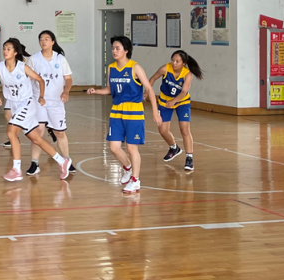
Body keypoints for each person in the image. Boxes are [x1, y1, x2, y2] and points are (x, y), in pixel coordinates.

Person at [0, 38, 72, 182]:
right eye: (4, 48)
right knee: (36, 139)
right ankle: (62, 161)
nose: (5, 51)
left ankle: (16, 169)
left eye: (8, 49)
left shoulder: (23, 67)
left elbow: (40, 80)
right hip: (14, 105)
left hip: (26, 104)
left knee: (11, 131)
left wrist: (41, 96)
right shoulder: (0, 67)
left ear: (15, 52)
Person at [87, 36, 161, 195]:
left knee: (131, 147)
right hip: (116, 111)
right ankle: (128, 168)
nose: (114, 51)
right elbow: (110, 89)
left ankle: (135, 180)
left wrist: (155, 111)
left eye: (118, 48)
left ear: (126, 50)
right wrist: (96, 91)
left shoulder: (135, 67)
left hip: (134, 111)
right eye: (113, 48)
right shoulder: (111, 68)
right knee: (114, 147)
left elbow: (149, 89)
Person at [26, 30, 75, 176]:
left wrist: (66, 91)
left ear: (53, 42)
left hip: (56, 101)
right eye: (41, 39)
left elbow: (68, 79)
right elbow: (27, 78)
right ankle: (34, 163)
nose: (43, 41)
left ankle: (67, 160)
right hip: (39, 100)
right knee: (38, 131)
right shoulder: (34, 59)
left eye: (47, 39)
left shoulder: (60, 59)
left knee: (60, 132)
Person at [147, 50, 203, 172]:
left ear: (184, 63)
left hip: (182, 102)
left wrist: (174, 101)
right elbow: (153, 78)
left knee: (184, 129)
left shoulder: (187, 74)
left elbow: (184, 91)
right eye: (173, 60)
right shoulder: (165, 69)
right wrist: (147, 91)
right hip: (164, 102)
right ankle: (174, 148)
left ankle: (189, 157)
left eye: (177, 61)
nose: (174, 63)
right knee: (162, 130)